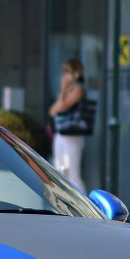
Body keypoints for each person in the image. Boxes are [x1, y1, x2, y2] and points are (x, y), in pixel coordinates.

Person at [49, 58, 88, 191]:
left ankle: (84, 205)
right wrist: (64, 91)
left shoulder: (79, 90)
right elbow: (53, 111)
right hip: (61, 135)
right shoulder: (66, 92)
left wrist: (64, 88)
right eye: (63, 71)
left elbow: (64, 106)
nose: (64, 75)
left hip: (73, 135)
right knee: (59, 170)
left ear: (76, 73)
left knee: (72, 172)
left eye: (68, 71)